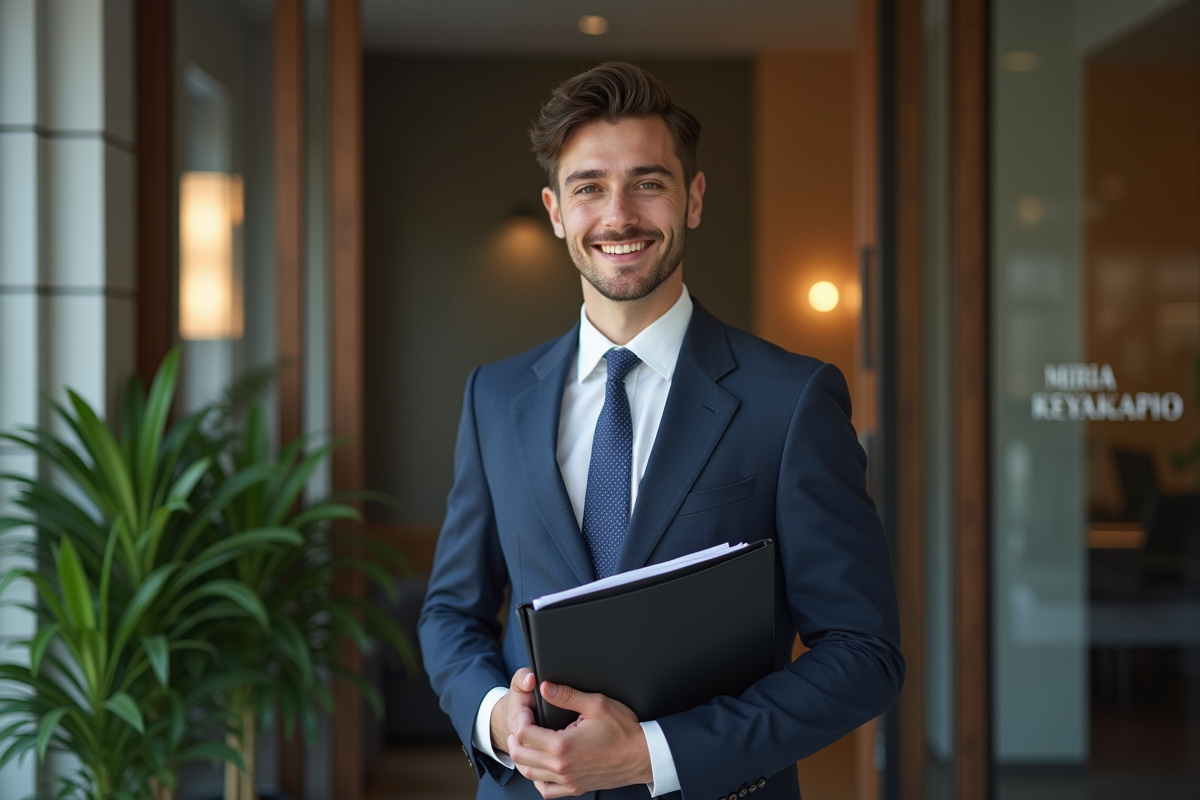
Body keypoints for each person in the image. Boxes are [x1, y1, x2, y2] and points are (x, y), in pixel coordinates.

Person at [418, 62, 904, 800]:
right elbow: (451, 612)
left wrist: (653, 753)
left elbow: (865, 653)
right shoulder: (496, 397)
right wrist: (495, 720)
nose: (619, 216)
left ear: (694, 198)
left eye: (648, 182)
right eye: (589, 187)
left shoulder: (793, 398)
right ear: (556, 210)